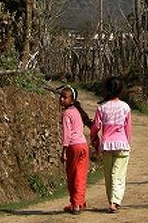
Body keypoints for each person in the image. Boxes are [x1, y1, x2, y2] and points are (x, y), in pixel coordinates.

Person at [90, 76, 132, 214]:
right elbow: (128, 129)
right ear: (121, 91)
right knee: (119, 174)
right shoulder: (125, 107)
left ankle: (111, 201)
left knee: (108, 175)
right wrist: (128, 143)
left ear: (107, 90)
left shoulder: (102, 108)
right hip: (122, 145)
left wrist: (93, 138)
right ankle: (115, 201)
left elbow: (95, 127)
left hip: (107, 145)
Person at [58, 85, 91, 214]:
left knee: (72, 176)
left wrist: (64, 150)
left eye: (64, 97)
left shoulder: (66, 114)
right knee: (81, 175)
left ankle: (75, 204)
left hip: (73, 147)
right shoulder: (77, 112)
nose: (61, 99)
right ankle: (80, 202)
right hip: (83, 145)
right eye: (61, 96)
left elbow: (67, 134)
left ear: (71, 100)